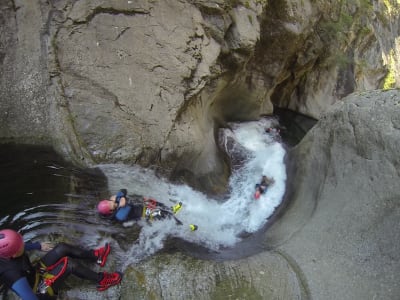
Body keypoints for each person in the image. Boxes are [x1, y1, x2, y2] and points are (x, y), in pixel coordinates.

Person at [0, 229, 123, 299]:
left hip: (34, 273)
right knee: (69, 264)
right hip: (38, 291)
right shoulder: (13, 275)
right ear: (13, 254)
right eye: (20, 244)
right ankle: (102, 280)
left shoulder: (5, 250)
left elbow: (18, 245)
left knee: (62, 248)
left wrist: (37, 246)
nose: (23, 243)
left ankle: (96, 256)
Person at [97, 189, 198, 231]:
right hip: (143, 214)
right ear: (111, 211)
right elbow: (126, 207)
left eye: (110, 202)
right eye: (112, 205)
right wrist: (121, 200)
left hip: (140, 205)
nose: (113, 203)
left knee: (154, 202)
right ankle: (184, 227)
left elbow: (123, 190)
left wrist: (121, 197)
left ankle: (171, 209)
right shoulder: (119, 215)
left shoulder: (114, 201)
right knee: (164, 215)